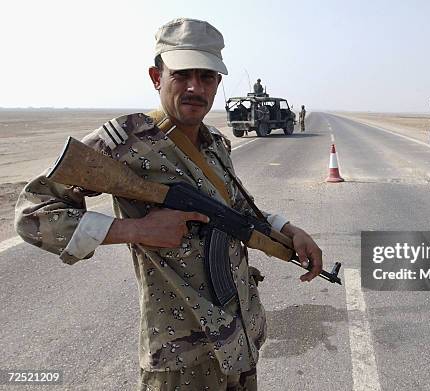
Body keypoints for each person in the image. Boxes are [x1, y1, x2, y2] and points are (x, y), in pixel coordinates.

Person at [14, 18, 323, 390]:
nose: (195, 87)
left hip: (238, 343)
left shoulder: (216, 144)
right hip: (180, 358)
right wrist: (135, 230)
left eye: (206, 77)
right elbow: (33, 214)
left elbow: (240, 209)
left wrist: (291, 231)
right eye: (182, 75)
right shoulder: (122, 141)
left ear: (217, 84)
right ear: (156, 76)